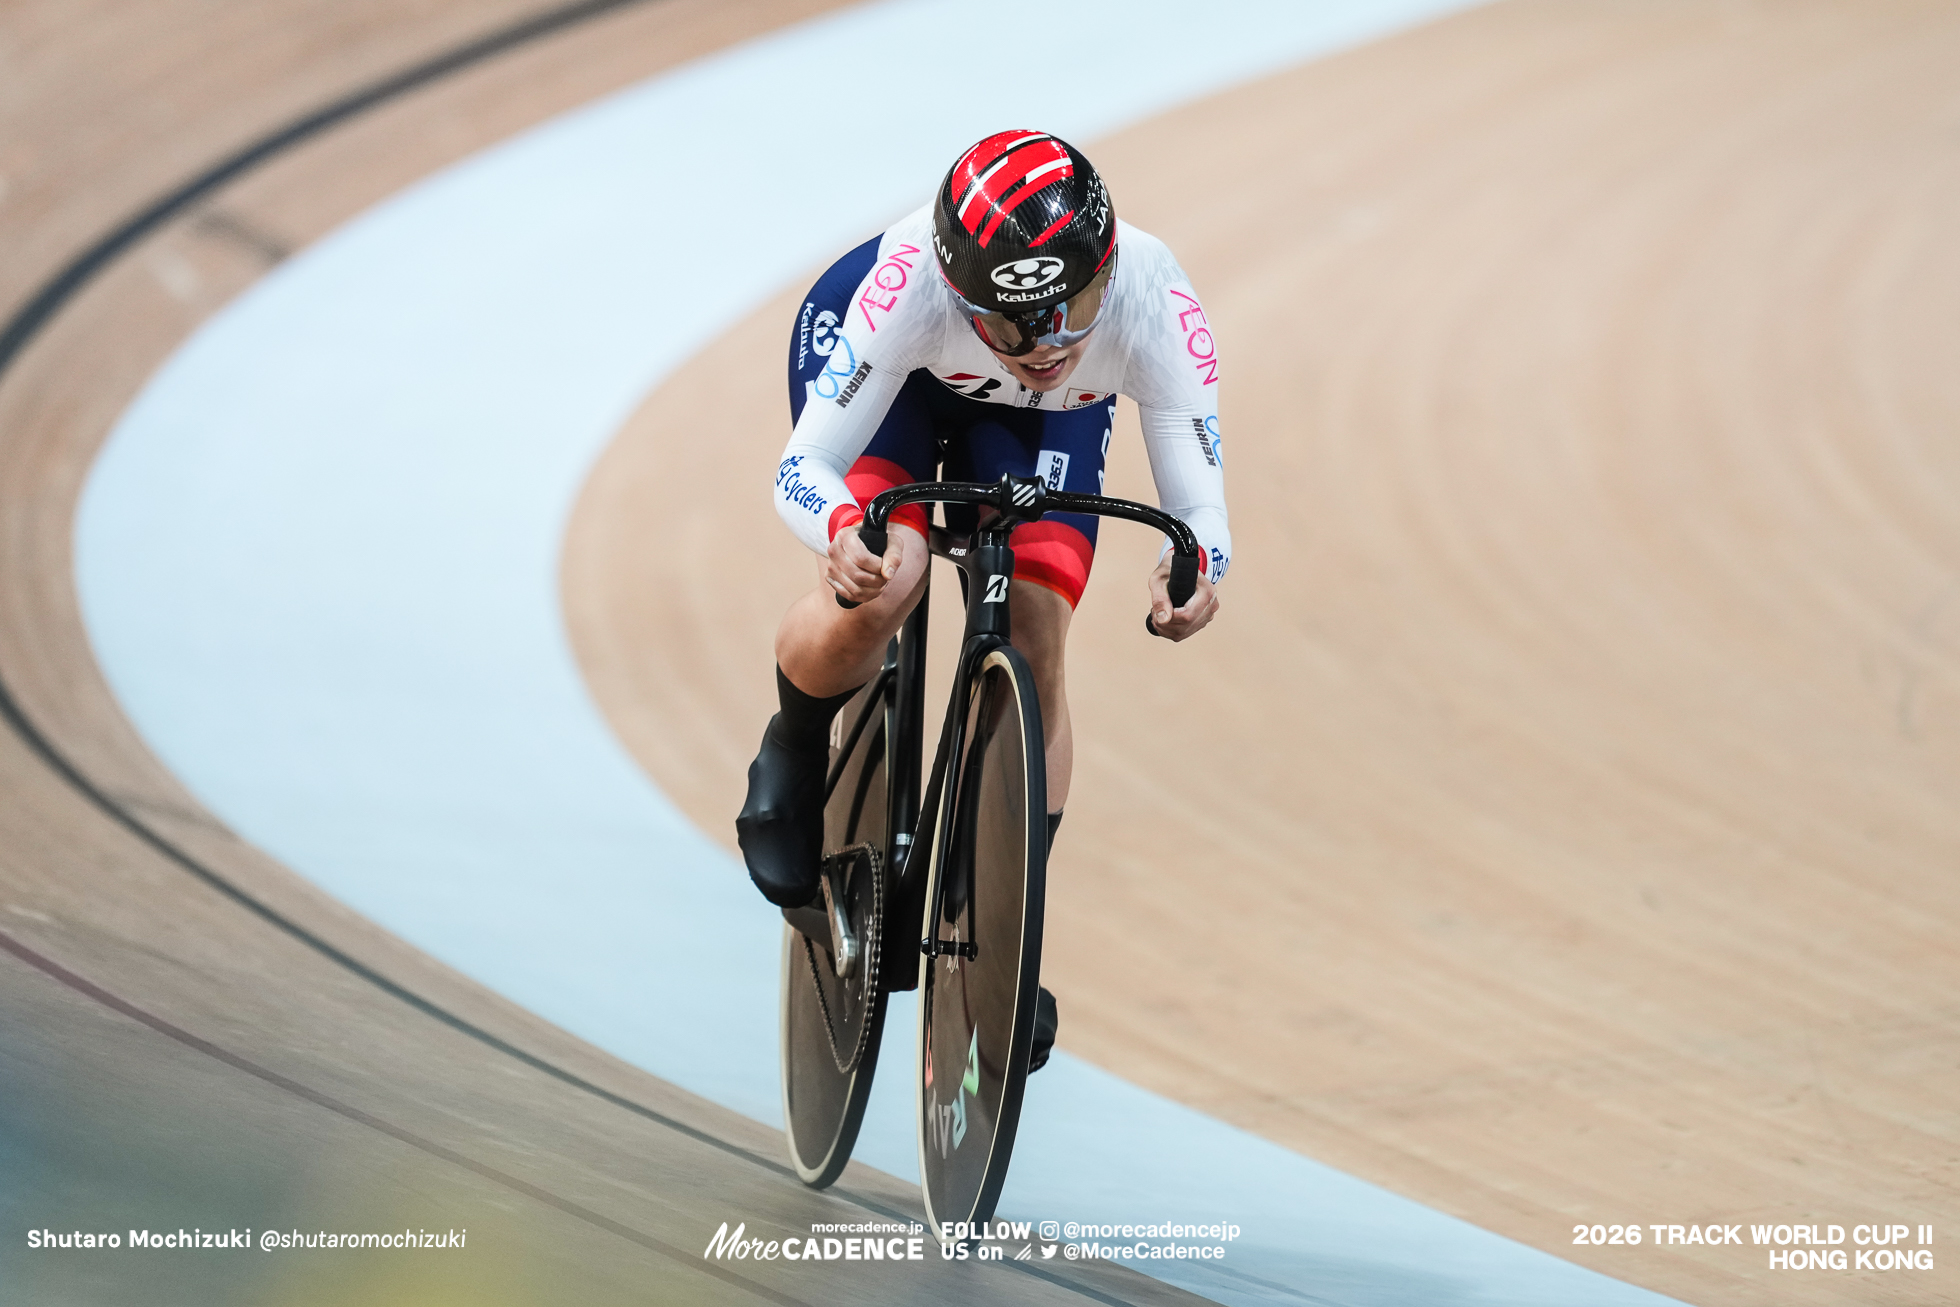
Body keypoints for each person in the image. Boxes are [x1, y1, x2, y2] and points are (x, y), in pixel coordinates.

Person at [738, 129, 1231, 1071]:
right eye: (1015, 323)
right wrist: (841, 527)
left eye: (1070, 307)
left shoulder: (1151, 297)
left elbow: (1198, 501)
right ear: (965, 294)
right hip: (905, 381)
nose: (1046, 344)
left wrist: (1196, 565)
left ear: (1107, 266)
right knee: (889, 582)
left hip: (1030, 422)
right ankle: (795, 744)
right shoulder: (907, 288)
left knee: (1040, 640)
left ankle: (1005, 926)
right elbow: (804, 468)